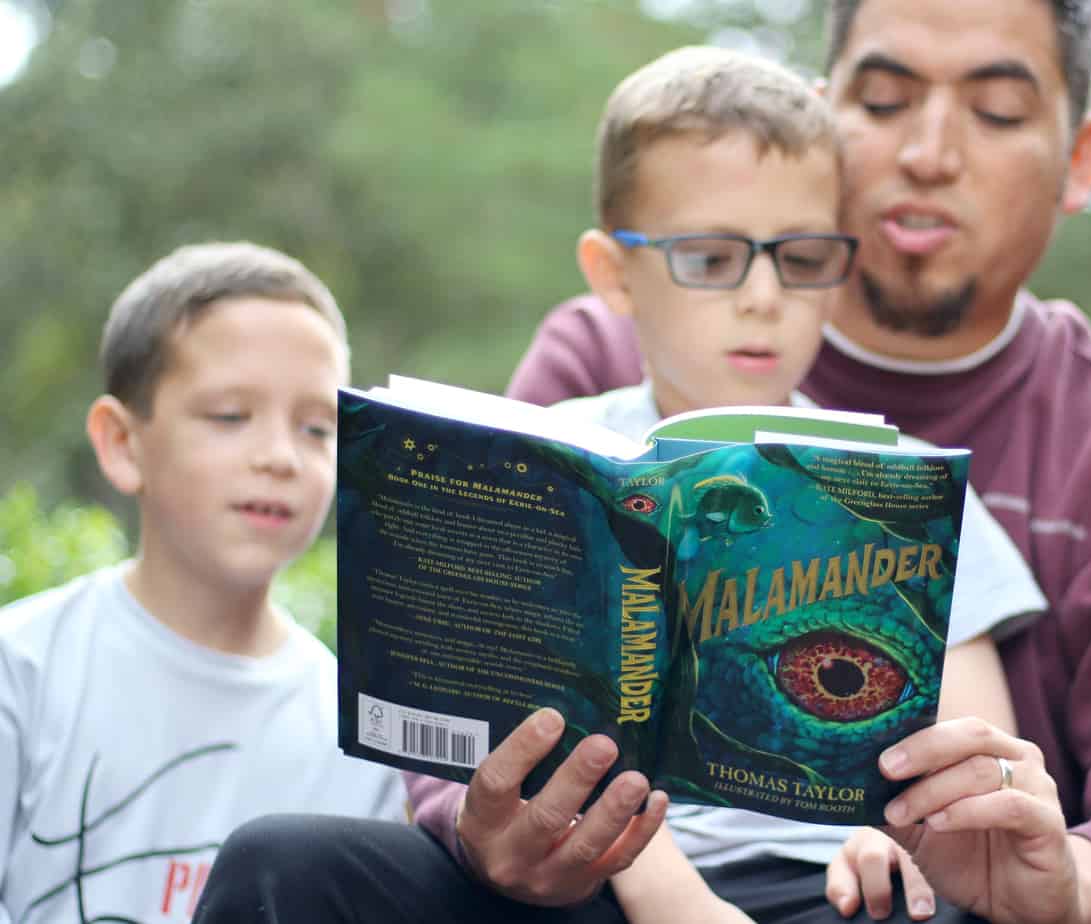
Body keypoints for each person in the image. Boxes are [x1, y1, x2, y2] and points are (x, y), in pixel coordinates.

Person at [497, 1, 1091, 921]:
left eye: (998, 112)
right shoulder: (606, 351)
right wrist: (484, 819)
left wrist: (1046, 881)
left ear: (1080, 160)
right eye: (884, 101)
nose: (929, 153)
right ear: (818, 124)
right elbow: (470, 664)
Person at [194, 45, 1038, 924]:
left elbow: (977, 751)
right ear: (612, 273)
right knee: (282, 860)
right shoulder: (549, 458)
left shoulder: (905, 485)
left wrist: (910, 838)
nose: (762, 295)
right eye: (711, 260)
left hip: (826, 888)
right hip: (593, 882)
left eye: (801, 256)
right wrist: (674, 902)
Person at [0, 242, 407, 924]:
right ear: (123, 444)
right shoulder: (24, 669)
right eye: (229, 416)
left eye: (317, 428)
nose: (280, 457)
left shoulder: (354, 732)